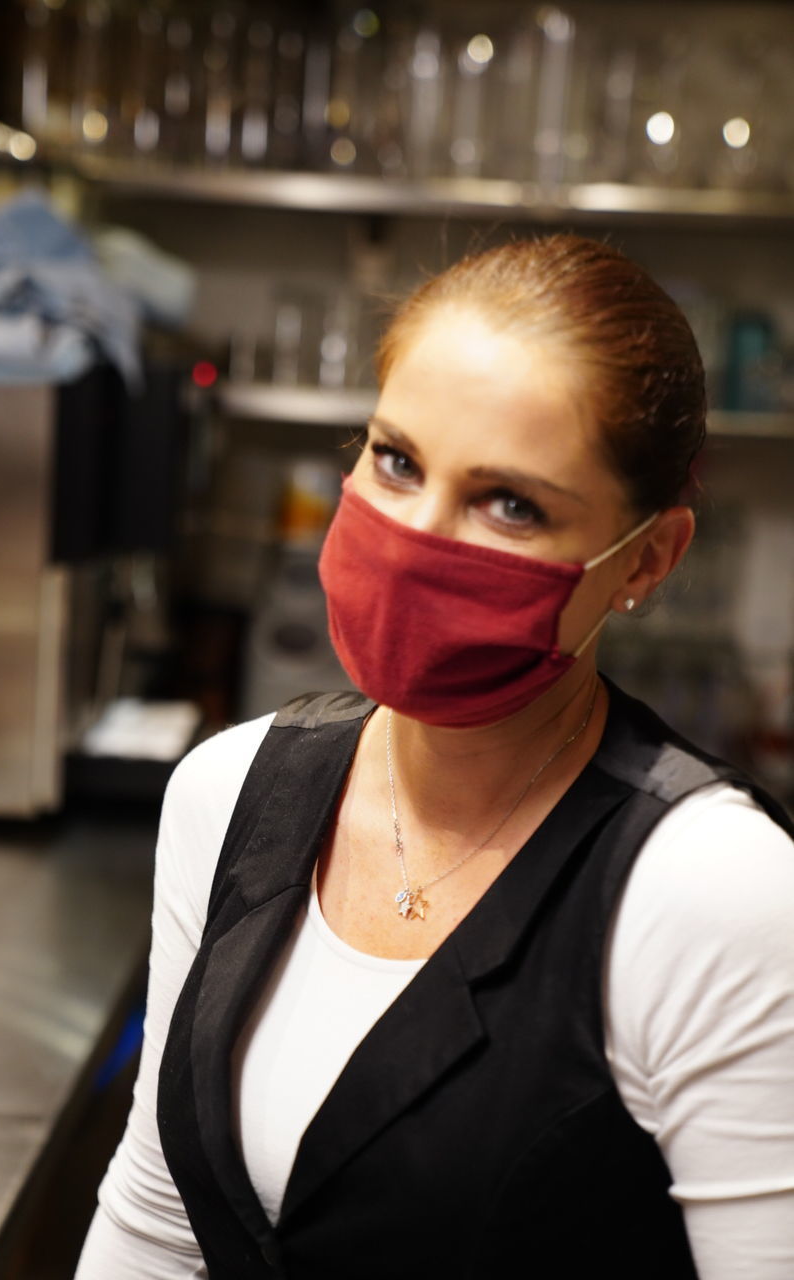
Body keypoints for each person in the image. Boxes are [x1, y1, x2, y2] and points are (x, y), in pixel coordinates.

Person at [75, 234, 794, 1280]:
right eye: (397, 460)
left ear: (647, 557)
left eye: (510, 503)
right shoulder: (227, 792)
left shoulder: (712, 892)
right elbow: (159, 1219)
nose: (416, 536)